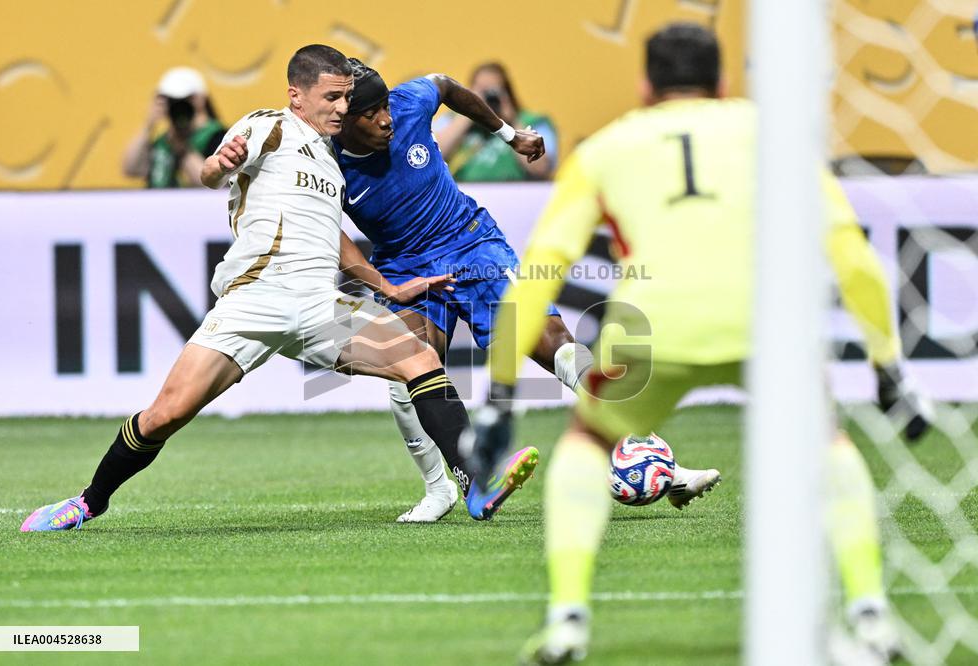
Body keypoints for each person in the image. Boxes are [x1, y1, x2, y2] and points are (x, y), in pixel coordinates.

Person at [466, 23, 931, 665]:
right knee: (825, 439)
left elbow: (540, 272)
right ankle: (870, 611)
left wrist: (499, 396)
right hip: (762, 322)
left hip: (657, 326)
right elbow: (851, 256)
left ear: (644, 86)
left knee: (587, 443)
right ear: (722, 84)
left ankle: (568, 618)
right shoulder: (771, 134)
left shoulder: (606, 148)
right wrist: (889, 368)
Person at [19, 44, 530, 532]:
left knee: (418, 358)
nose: (341, 107)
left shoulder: (335, 159)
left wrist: (385, 288)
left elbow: (334, 239)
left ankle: (473, 482)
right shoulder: (270, 126)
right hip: (255, 299)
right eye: (331, 97)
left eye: (346, 98)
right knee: (164, 415)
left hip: (321, 304)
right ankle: (88, 502)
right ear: (296, 95)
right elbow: (214, 170)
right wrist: (217, 167)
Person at [334, 59, 721, 522]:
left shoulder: (409, 103)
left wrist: (507, 133)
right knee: (405, 369)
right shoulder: (324, 158)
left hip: (470, 243)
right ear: (341, 120)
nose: (385, 118)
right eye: (371, 113)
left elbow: (447, 87)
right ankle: (439, 490)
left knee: (554, 344)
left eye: (384, 106)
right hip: (402, 265)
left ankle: (662, 465)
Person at [433, 62, 557, 181]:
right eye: (481, 91)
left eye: (493, 91)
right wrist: (469, 110)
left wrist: (512, 121)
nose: (486, 98)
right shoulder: (451, 119)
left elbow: (542, 170)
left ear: (507, 93)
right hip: (463, 196)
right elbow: (432, 157)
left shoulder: (533, 122)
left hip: (516, 195)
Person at [122, 67, 227, 188]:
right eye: (171, 100)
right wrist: (148, 126)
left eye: (186, 99)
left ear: (200, 98)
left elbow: (213, 184)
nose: (179, 106)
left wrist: (183, 149)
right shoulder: (164, 140)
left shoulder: (218, 137)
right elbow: (131, 169)